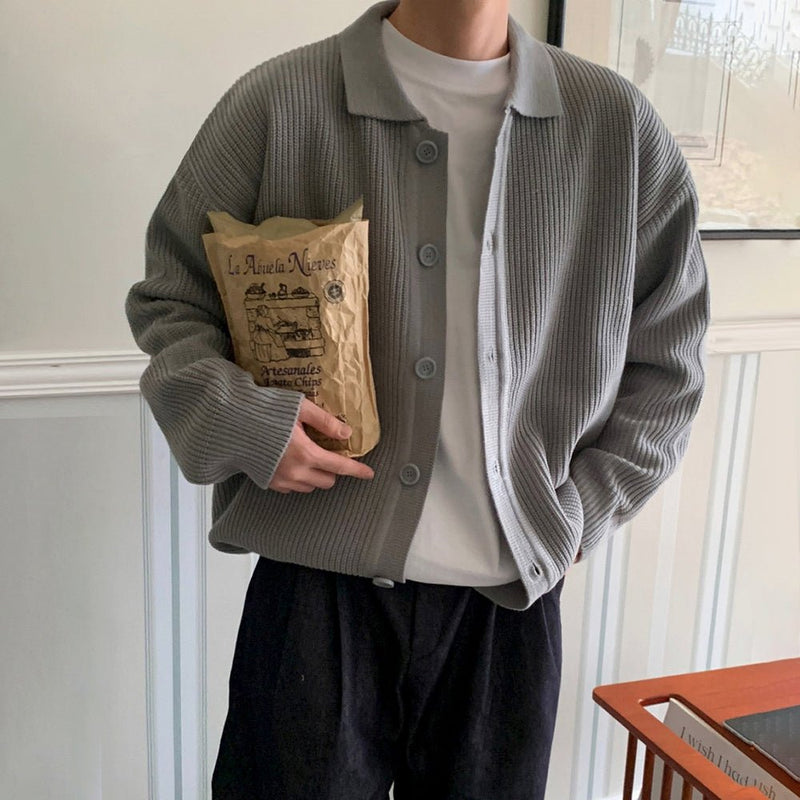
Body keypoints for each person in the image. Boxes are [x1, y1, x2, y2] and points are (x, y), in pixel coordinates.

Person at [125, 0, 710, 797]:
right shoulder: (279, 102)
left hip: (507, 609)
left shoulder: (616, 127)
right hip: (314, 589)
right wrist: (245, 423)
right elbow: (172, 300)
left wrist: (582, 510)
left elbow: (670, 361)